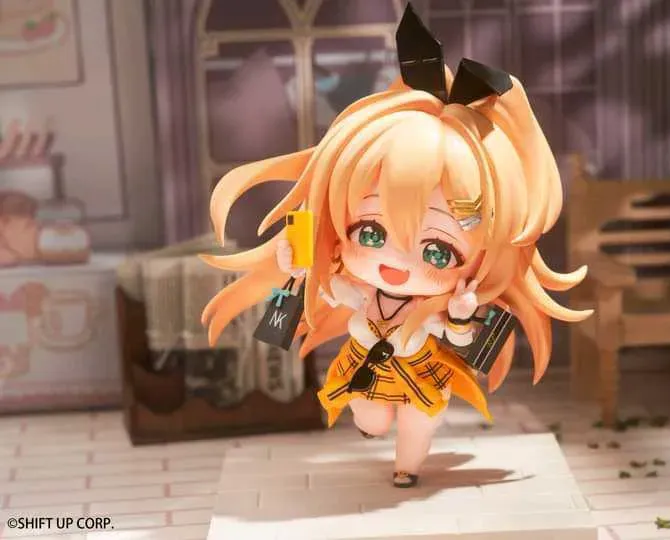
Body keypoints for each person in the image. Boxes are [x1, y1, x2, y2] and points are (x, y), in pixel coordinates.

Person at [201, 4, 590, 488]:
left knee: (417, 422)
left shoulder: (434, 307)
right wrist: (299, 270)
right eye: (370, 233)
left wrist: (462, 313)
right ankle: (374, 426)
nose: (394, 262)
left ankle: (408, 467)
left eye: (437, 251)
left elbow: (461, 339)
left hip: (423, 372)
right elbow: (326, 291)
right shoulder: (359, 292)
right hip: (365, 368)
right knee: (369, 416)